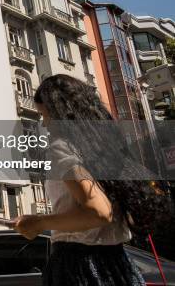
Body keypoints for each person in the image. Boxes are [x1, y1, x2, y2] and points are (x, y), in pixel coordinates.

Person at [13, 74, 154, 286]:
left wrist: (39, 222)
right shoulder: (105, 151)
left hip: (78, 265)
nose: (44, 123)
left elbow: (98, 211)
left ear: (61, 113)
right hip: (117, 263)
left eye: (45, 115)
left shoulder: (62, 148)